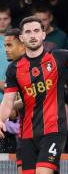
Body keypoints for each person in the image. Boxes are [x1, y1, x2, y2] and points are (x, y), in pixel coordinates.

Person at [0, 16, 68, 174]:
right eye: (28, 32)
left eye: (36, 31)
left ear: (43, 34)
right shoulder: (14, 69)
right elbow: (8, 101)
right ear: (22, 38)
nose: (33, 35)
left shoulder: (58, 57)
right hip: (26, 135)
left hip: (53, 131)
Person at [4, 28, 26, 174]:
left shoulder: (34, 65)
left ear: (22, 45)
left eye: (10, 45)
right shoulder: (12, 69)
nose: (6, 49)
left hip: (44, 130)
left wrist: (13, 106)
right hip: (22, 130)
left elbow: (36, 96)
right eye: (5, 46)